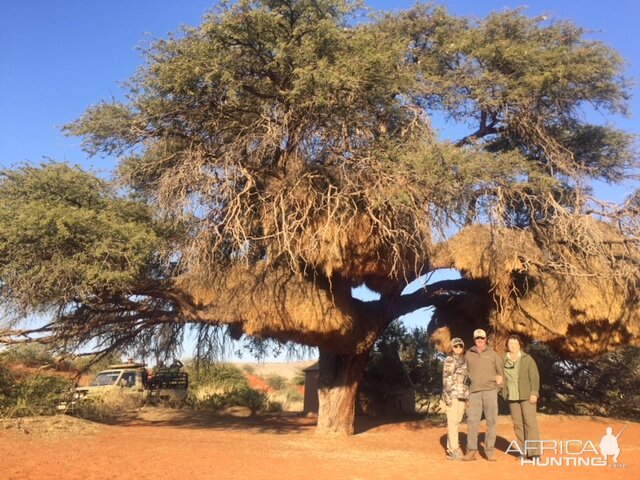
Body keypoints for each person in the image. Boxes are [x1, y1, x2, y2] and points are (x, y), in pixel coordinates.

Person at [463, 328, 503, 462]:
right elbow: (465, 373)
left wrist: (497, 388)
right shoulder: (468, 354)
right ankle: (471, 451)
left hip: (490, 391)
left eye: (482, 338)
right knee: (472, 421)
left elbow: (501, 373)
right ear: (474, 340)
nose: (480, 340)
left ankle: (489, 451)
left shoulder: (493, 354)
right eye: (477, 338)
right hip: (474, 392)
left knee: (491, 421)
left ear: (486, 339)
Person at [502, 334, 541, 460]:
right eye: (510, 343)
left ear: (520, 345)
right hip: (512, 397)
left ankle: (534, 453)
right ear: (507, 345)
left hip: (526, 395)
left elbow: (534, 377)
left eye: (515, 343)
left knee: (530, 423)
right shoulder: (503, 359)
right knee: (518, 424)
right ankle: (523, 452)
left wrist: (534, 393)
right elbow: (499, 375)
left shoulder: (527, 359)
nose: (512, 346)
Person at [442, 337, 469, 461]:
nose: (458, 348)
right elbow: (446, 379)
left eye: (460, 346)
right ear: (452, 348)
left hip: (462, 395)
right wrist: (447, 397)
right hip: (452, 395)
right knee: (452, 422)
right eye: (455, 346)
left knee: (457, 422)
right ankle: (453, 450)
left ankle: (451, 447)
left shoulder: (465, 361)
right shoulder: (449, 360)